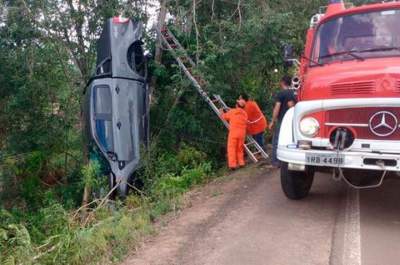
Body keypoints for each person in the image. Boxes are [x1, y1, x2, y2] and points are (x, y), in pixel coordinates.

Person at [269, 76, 296, 168]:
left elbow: (277, 108)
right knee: (290, 140)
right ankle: (287, 160)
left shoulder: (281, 94)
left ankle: (276, 162)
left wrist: (272, 121)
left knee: (276, 140)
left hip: (282, 121)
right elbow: (292, 106)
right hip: (292, 121)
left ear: (282, 82)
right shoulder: (294, 93)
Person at [220, 99, 248, 170]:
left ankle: (233, 165)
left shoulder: (232, 112)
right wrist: (231, 110)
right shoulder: (245, 113)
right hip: (242, 134)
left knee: (231, 149)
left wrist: (221, 112)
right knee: (240, 148)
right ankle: (241, 163)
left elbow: (224, 117)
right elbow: (238, 113)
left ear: (236, 105)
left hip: (234, 133)